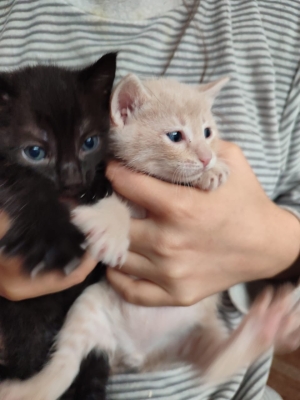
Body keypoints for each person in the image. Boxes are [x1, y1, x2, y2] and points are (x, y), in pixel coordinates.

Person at [0, 0, 299, 399]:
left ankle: (231, 350)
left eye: (208, 134)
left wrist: (277, 244)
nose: (204, 154)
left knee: (204, 337)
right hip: (93, 326)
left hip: (226, 387)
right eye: (177, 137)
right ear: (120, 112)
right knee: (84, 322)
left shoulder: (281, 23)